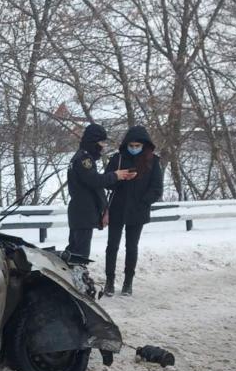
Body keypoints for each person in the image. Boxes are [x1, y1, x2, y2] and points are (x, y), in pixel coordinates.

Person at [103, 125, 164, 296]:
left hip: (138, 210)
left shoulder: (153, 161)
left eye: (138, 145)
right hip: (117, 208)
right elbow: (106, 182)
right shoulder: (117, 159)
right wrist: (119, 177)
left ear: (144, 145)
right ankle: (109, 281)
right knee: (112, 246)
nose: (134, 148)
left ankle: (128, 282)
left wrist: (144, 202)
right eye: (132, 145)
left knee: (132, 247)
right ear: (126, 144)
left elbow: (157, 188)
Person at [65, 123, 136, 265]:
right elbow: (94, 181)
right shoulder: (84, 159)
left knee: (74, 252)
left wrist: (104, 208)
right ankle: (77, 281)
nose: (103, 146)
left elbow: (93, 185)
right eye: (101, 142)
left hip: (80, 213)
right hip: (83, 213)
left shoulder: (81, 157)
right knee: (80, 255)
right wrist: (115, 175)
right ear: (93, 142)